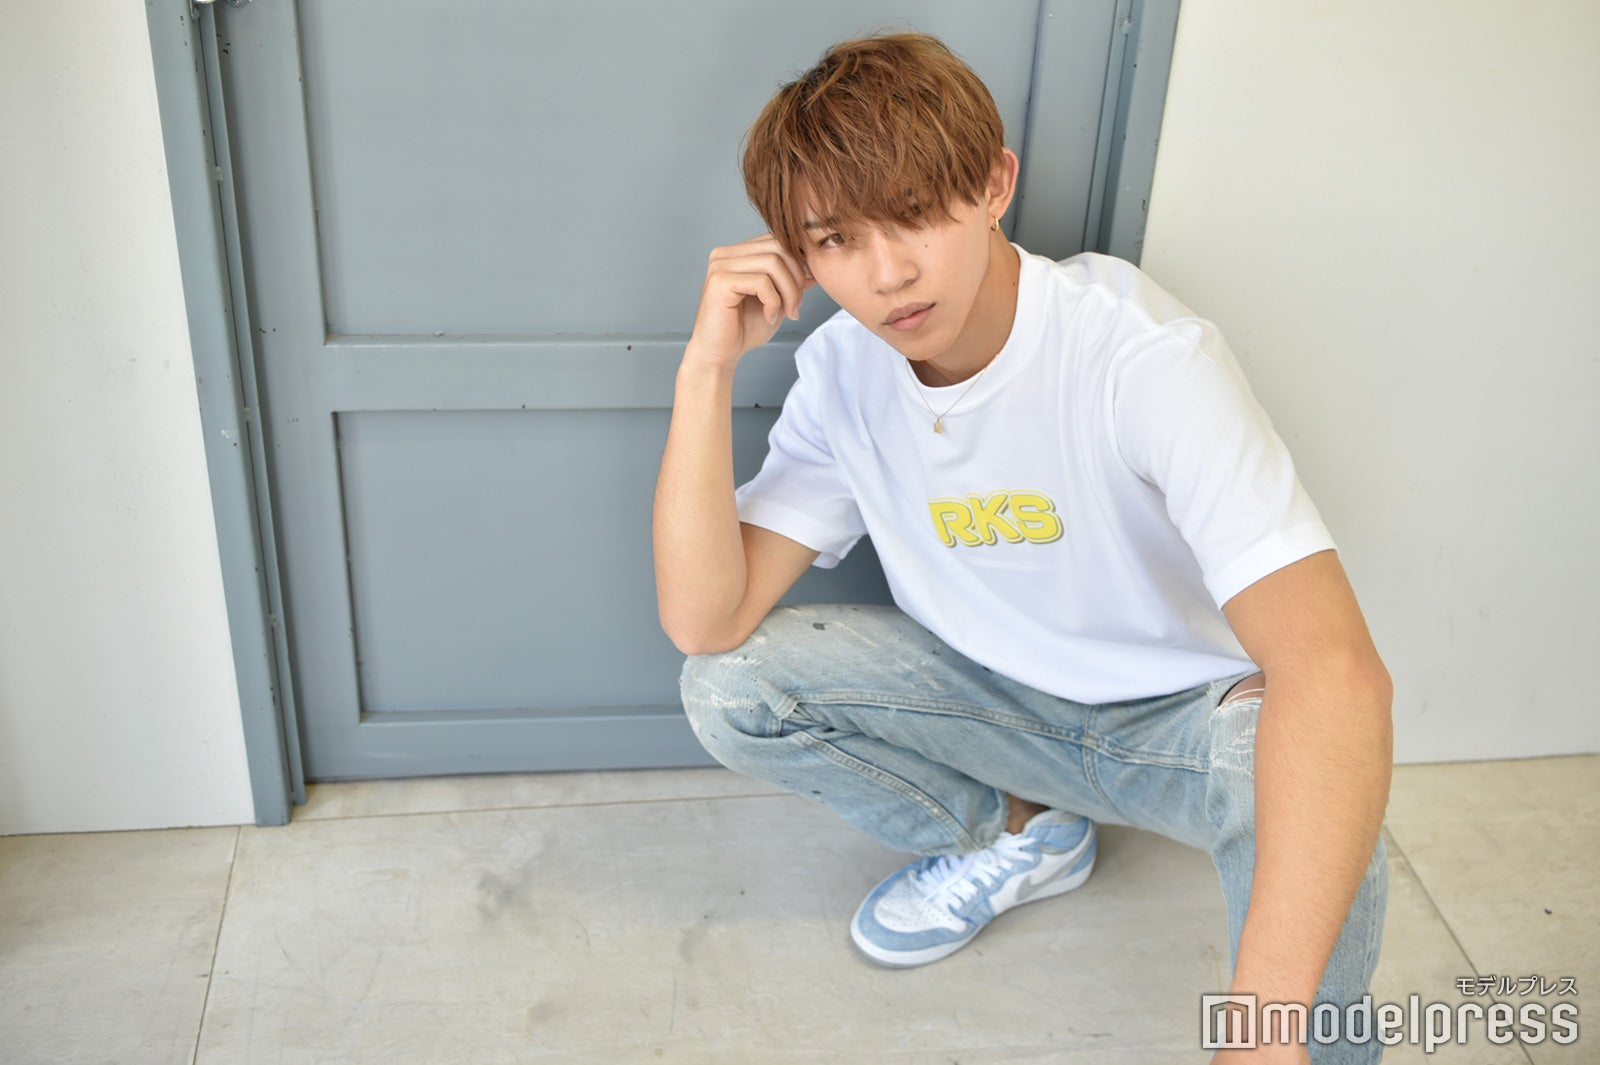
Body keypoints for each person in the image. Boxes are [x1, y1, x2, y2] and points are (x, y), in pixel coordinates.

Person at [652, 32, 1392, 1064]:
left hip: (1177, 726)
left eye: (916, 213)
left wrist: (1259, 1038)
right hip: (997, 709)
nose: (888, 274)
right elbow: (706, 619)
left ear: (995, 185)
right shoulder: (844, 372)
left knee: (1301, 765)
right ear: (802, 258)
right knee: (731, 685)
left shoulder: (1136, 357)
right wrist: (705, 370)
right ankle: (1021, 831)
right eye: (837, 240)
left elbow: (1338, 673)